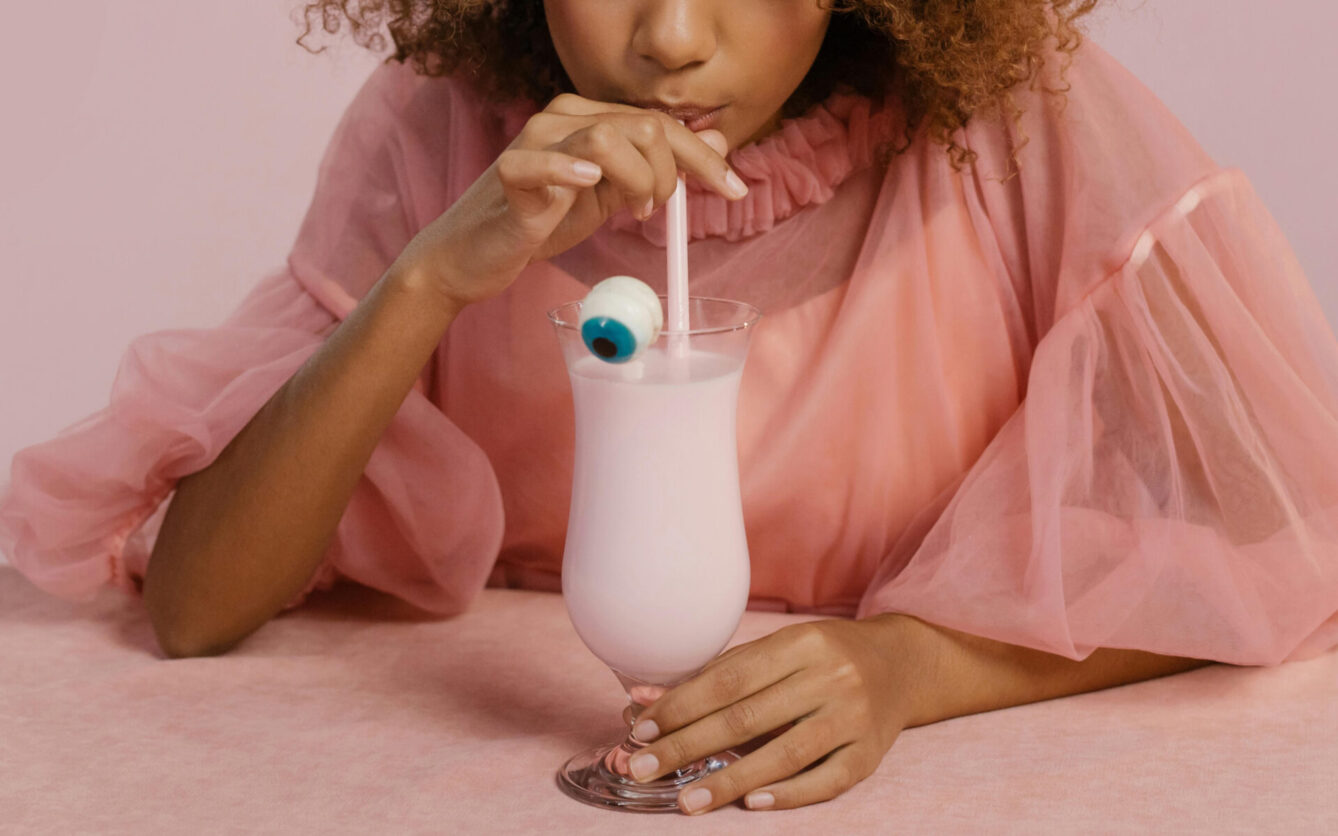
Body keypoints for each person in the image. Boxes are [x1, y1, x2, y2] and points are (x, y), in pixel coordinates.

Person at [3, 0, 1337, 815]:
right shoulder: (444, 132)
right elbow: (193, 607)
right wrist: (425, 283)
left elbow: (1281, 533)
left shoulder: (1008, 128)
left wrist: (912, 668)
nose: (672, 36)